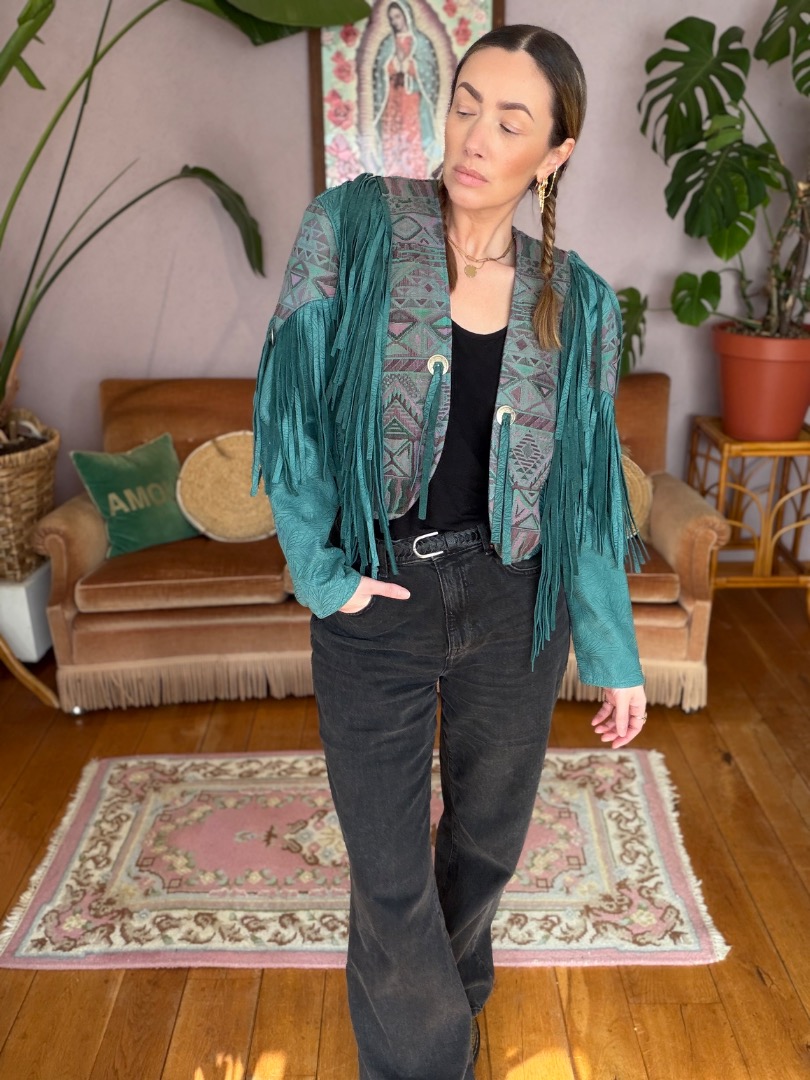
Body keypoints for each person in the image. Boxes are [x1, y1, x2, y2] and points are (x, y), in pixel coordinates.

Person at [253, 23, 648, 1080]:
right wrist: (323, 576)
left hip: (517, 600)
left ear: (555, 153)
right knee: (389, 872)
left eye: (511, 122)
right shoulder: (352, 227)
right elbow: (292, 407)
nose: (474, 135)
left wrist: (612, 651)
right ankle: (431, 1063)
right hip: (379, 589)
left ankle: (450, 1007)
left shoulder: (580, 301)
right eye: (466, 102)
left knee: (485, 847)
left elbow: (584, 491)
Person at [371, 0, 441, 176]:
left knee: (412, 139)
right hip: (391, 100)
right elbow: (379, 71)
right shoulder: (388, 44)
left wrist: (410, 65)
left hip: (412, 99)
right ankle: (391, 181)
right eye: (391, 18)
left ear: (406, 15)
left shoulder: (421, 42)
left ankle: (416, 180)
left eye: (397, 16)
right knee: (392, 140)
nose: (395, 21)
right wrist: (393, 64)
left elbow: (429, 71)